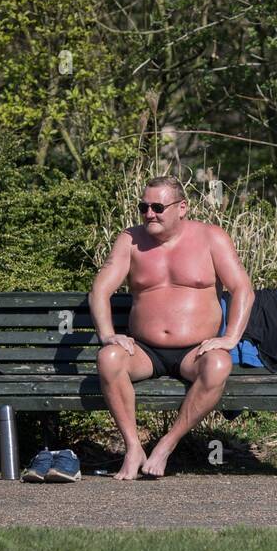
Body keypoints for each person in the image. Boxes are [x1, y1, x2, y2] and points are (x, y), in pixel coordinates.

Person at [89, 175, 255, 479]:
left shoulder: (211, 238)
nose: (149, 213)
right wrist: (107, 334)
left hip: (196, 350)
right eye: (143, 207)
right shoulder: (130, 240)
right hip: (145, 351)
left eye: (157, 207)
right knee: (108, 358)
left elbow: (243, 289)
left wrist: (230, 338)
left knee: (219, 364)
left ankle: (167, 444)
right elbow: (100, 291)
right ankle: (133, 447)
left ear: (182, 208)